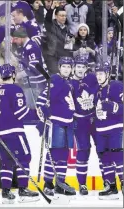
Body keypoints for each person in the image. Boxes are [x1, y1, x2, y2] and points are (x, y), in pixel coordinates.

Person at [0, 64, 39, 204]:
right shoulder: (15, 89)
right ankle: (23, 189)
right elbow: (20, 113)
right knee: (24, 158)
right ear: (13, 75)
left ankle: (6, 191)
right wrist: (36, 113)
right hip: (14, 132)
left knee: (6, 162)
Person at [36, 57, 76, 197]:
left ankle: (60, 183)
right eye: (64, 66)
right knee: (53, 154)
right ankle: (48, 183)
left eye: (68, 66)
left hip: (68, 123)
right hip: (56, 123)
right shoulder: (55, 80)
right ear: (59, 67)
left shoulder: (68, 82)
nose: (66, 69)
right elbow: (41, 100)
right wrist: (44, 114)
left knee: (64, 155)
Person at [70, 56, 103, 195]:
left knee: (102, 150)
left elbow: (102, 85)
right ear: (74, 67)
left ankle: (109, 181)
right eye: (78, 66)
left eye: (83, 67)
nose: (80, 69)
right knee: (83, 152)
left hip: (94, 119)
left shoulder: (91, 78)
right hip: (79, 122)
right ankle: (82, 184)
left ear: (86, 68)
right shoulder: (69, 83)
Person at [94, 62, 123, 199]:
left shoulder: (117, 86)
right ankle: (111, 186)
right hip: (100, 130)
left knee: (117, 156)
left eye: (101, 73)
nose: (99, 76)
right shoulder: (97, 90)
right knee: (105, 158)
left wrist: (113, 106)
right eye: (97, 74)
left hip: (115, 129)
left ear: (107, 74)